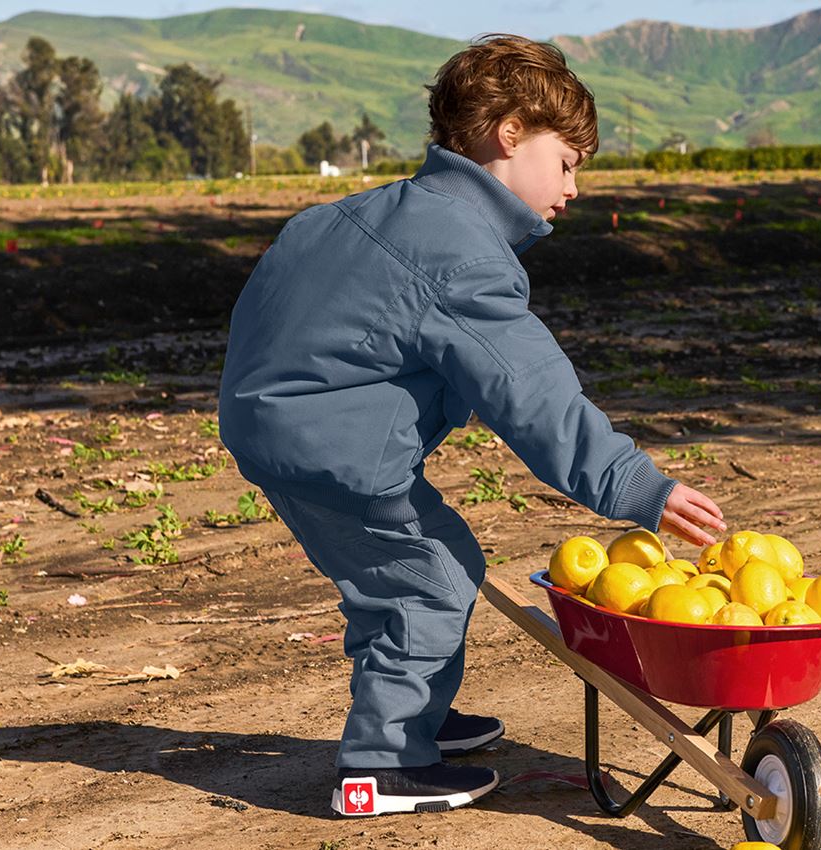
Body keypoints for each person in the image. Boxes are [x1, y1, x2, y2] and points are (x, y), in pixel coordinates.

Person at [218, 34, 726, 817]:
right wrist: (636, 485)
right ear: (510, 133)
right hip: (338, 450)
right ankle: (380, 768)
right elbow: (534, 396)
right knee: (432, 579)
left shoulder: (364, 212)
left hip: (274, 426)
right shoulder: (460, 255)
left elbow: (282, 287)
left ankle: (417, 720)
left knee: (398, 574)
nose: (575, 186)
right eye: (568, 162)